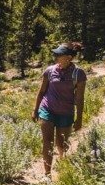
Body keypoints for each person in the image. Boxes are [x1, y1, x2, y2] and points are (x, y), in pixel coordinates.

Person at [32, 42, 86, 177]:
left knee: (61, 144)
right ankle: (47, 174)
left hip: (66, 112)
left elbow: (79, 99)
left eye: (59, 55)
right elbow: (41, 91)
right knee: (47, 142)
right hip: (47, 109)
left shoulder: (78, 74)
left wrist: (79, 119)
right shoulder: (49, 71)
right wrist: (35, 109)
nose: (56, 57)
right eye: (55, 54)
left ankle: (62, 164)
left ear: (69, 57)